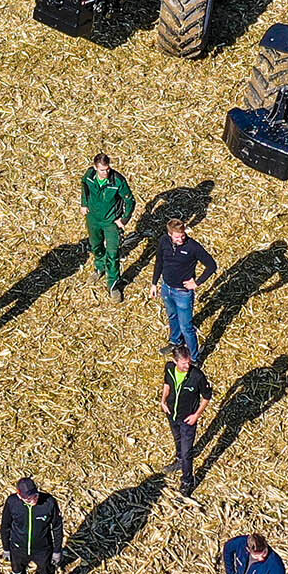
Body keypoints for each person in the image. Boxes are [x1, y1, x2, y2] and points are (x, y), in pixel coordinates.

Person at [151, 216, 217, 362]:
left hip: (183, 293)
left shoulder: (192, 246)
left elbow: (212, 265)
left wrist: (197, 282)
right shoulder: (163, 241)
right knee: (172, 317)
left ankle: (194, 358)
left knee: (186, 326)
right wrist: (154, 283)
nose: (181, 239)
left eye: (183, 235)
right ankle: (175, 342)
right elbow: (159, 262)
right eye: (177, 237)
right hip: (166, 288)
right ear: (169, 234)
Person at [0, 476, 67, 574]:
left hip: (43, 549)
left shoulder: (49, 503)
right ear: (20, 496)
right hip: (18, 548)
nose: (33, 500)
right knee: (17, 573)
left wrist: (57, 551)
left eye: (35, 495)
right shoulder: (12, 503)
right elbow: (5, 526)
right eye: (28, 498)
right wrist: (6, 548)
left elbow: (57, 528)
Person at [80, 153, 136, 301]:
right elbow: (83, 185)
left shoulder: (117, 181)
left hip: (111, 221)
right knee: (96, 246)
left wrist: (124, 219)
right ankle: (100, 267)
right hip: (93, 218)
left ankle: (113, 285)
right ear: (95, 168)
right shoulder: (90, 176)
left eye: (107, 169)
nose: (105, 172)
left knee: (113, 253)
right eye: (102, 170)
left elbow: (130, 200)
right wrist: (84, 203)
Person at [163, 347, 214, 496]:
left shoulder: (197, 376)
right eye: (184, 363)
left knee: (187, 452)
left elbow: (206, 397)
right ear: (175, 361)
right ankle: (179, 460)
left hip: (188, 419)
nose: (188, 366)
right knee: (177, 439)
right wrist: (163, 401)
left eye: (189, 362)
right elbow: (166, 384)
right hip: (172, 414)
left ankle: (187, 481)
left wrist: (196, 415)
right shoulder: (169, 368)